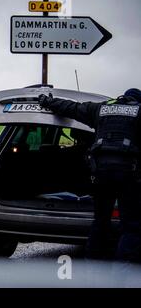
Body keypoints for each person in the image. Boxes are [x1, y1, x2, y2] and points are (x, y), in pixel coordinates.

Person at [39, 88, 141, 263]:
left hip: (100, 174)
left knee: (101, 221)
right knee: (131, 226)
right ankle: (124, 269)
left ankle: (93, 263)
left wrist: (48, 102)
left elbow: (72, 108)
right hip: (128, 176)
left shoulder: (101, 109)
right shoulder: (139, 111)